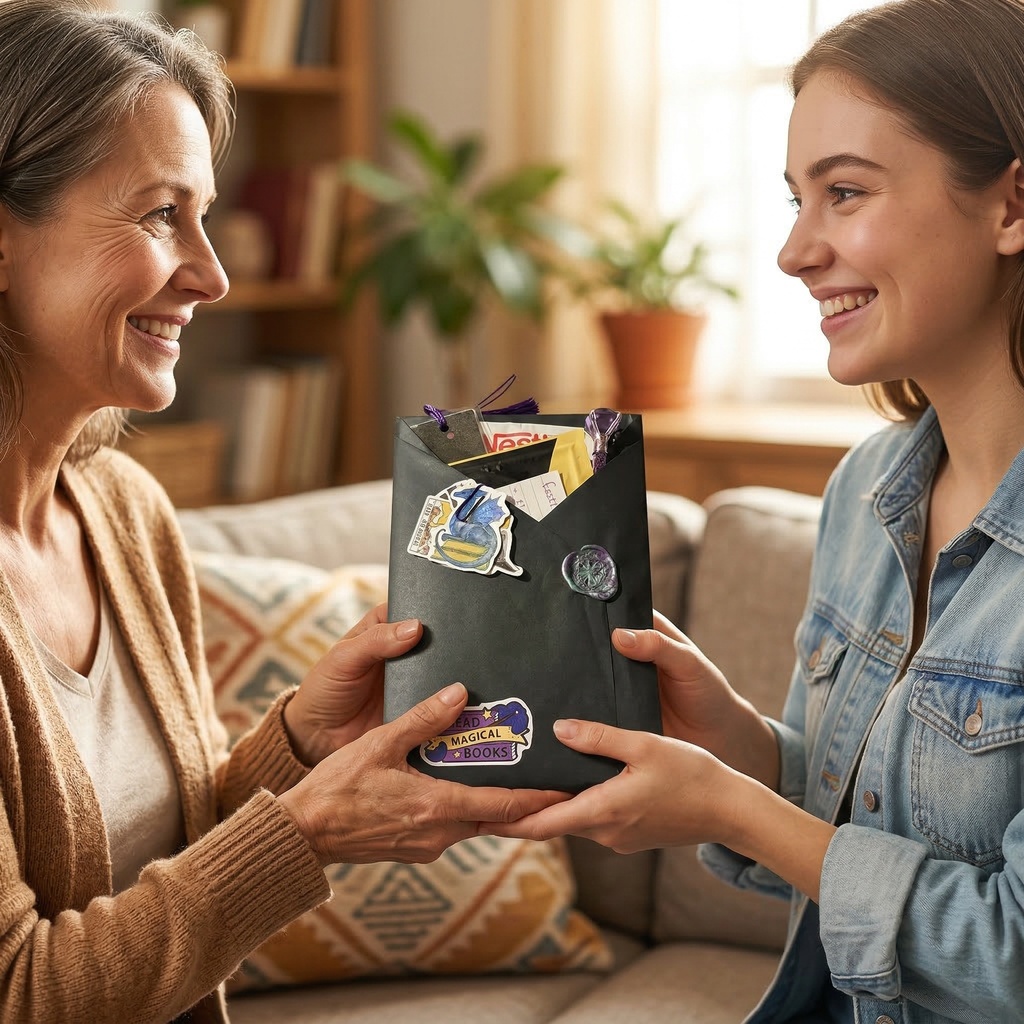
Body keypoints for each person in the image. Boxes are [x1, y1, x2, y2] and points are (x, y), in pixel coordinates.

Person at [0, 3, 564, 1021]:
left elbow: (157, 851)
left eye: (204, 215)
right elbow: (22, 989)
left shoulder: (125, 512)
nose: (212, 274)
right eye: (160, 214)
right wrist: (307, 829)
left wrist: (302, 744)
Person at [490, 1, 1024, 1020]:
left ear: (1010, 204)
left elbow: (1008, 953)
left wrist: (731, 805)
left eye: (845, 193)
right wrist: (736, 742)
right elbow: (868, 845)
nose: (794, 251)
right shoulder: (864, 496)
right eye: (794, 200)